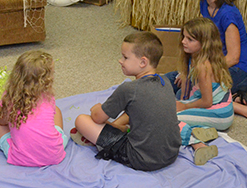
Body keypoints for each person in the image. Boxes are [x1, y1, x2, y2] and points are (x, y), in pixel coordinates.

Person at [73, 32, 181, 171]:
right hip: (171, 154)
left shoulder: (128, 89)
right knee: (136, 109)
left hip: (141, 159)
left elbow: (97, 118)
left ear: (143, 62)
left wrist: (96, 108)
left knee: (82, 120)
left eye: (125, 57)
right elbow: (141, 109)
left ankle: (116, 133)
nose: (120, 61)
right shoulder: (165, 81)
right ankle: (120, 128)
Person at [0, 50, 68, 167]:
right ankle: (54, 139)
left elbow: (1, 121)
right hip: (55, 155)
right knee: (56, 110)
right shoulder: (49, 96)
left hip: (21, 158)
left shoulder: (10, 96)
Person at [196, 0, 247, 122]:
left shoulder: (228, 14)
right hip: (219, 63)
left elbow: (234, 58)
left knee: (196, 90)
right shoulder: (204, 3)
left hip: (240, 71)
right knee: (176, 80)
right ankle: (235, 98)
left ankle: (243, 109)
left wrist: (204, 69)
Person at [173, 17, 234, 165]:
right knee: (170, 106)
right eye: (184, 37)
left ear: (204, 43)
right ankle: (204, 129)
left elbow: (207, 101)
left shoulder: (203, 65)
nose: (183, 41)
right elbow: (188, 89)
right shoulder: (196, 57)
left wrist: (184, 106)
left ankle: (198, 144)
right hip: (219, 106)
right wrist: (181, 102)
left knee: (169, 119)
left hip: (220, 113)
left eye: (190, 39)